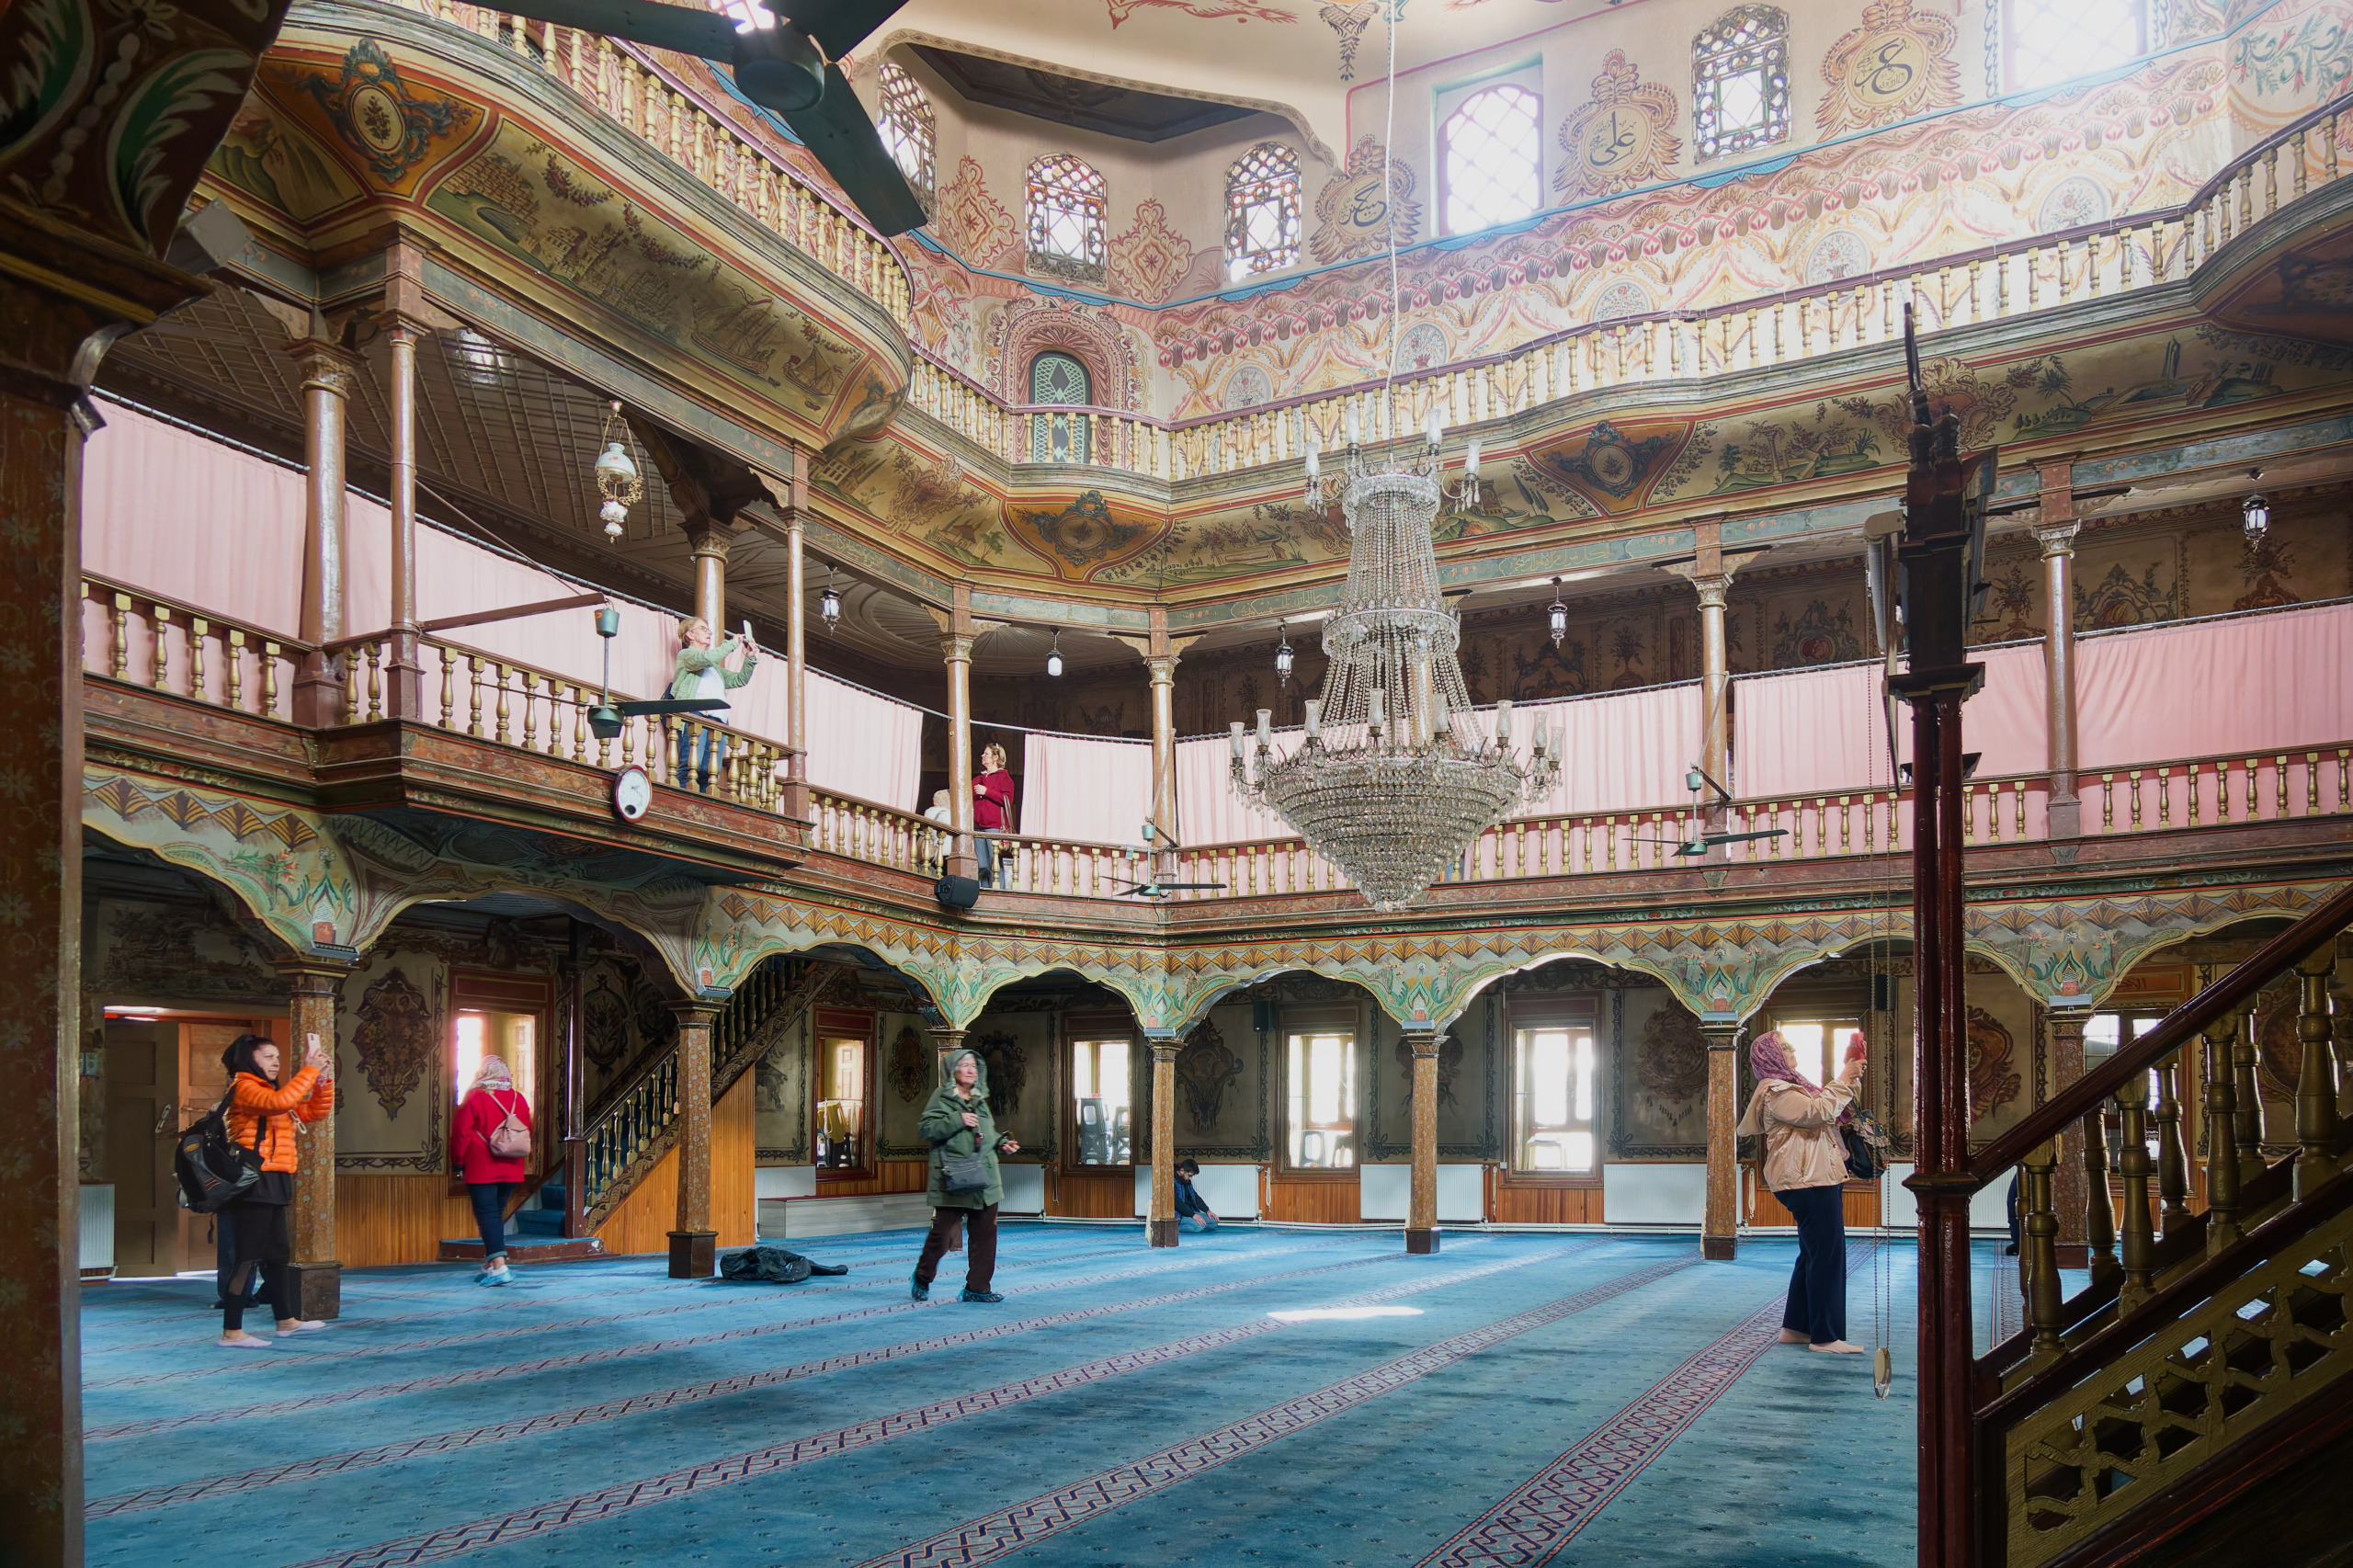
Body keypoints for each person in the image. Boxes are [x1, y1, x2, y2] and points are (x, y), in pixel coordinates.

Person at [1737, 1028, 1866, 1355]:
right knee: (1827, 1256)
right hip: (1808, 1180)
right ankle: (1825, 1337)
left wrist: (1850, 1077)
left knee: (1814, 1253)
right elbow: (1817, 1112)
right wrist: (1843, 1077)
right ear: (1770, 1057)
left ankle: (1796, 1329)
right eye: (1784, 1047)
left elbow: (1832, 1108)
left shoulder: (1792, 1086)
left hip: (1813, 1177)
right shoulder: (1776, 1090)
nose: (1792, 1049)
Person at [216, 1032, 335, 1347]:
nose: (276, 1062)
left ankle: (286, 1320)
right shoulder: (244, 1086)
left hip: (275, 1177)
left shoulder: (271, 1092)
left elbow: (314, 1112)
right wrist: (309, 1069)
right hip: (253, 1181)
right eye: (268, 1056)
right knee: (247, 1258)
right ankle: (231, 1331)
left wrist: (321, 1080)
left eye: (277, 1057)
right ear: (249, 1059)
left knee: (278, 1255)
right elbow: (279, 1103)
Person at [913, 1049, 1020, 1302]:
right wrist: (957, 1119)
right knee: (942, 1237)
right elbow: (926, 1129)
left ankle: (977, 1288)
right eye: (965, 1065)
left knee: (985, 1236)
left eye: (974, 1066)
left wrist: (1002, 1144)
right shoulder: (942, 1097)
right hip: (953, 1178)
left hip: (985, 1180)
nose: (971, 1070)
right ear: (953, 1070)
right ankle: (923, 1275)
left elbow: (988, 1134)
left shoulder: (980, 1100)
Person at [451, 1056, 533, 1287]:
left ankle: (500, 1267)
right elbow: (525, 1130)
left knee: (487, 1214)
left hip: (482, 1166)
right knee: (494, 1214)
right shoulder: (518, 1098)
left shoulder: (475, 1096)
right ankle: (491, 1265)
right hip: (512, 1166)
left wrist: (457, 1163)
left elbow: (460, 1133)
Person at [667, 617, 757, 790]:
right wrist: (732, 644)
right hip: (695, 716)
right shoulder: (687, 655)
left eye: (708, 629)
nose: (708, 632)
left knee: (709, 772)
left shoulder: (714, 668)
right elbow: (705, 659)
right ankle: (683, 798)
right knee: (690, 765)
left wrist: (750, 659)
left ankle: (700, 802)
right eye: (703, 628)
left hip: (718, 722)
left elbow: (739, 680)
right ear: (690, 635)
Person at [972, 743, 1015, 887]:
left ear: (995, 757)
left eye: (986, 754)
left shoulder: (1004, 778)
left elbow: (1007, 800)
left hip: (994, 827)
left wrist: (987, 792)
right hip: (978, 827)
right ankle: (983, 893)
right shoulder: (977, 780)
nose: (982, 756)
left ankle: (999, 893)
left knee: (994, 863)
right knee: (982, 865)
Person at [1175, 1158, 1218, 1233]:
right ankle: (1172, 1228)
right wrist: (1193, 1215)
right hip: (1178, 1215)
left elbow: (1195, 1197)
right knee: (1199, 1226)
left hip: (1188, 1213)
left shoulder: (1186, 1181)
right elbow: (1177, 1203)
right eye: (1189, 1175)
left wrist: (1207, 1210)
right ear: (1182, 1171)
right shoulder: (1171, 1181)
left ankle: (1192, 1223)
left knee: (1213, 1221)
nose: (1191, 1178)